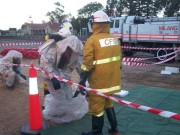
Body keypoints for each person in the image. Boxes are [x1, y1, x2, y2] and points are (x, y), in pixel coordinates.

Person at [79, 10, 122, 135]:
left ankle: (97, 131)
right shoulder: (115, 40)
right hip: (112, 81)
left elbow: (87, 63)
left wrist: (82, 80)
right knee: (108, 103)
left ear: (95, 24)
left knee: (97, 107)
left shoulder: (92, 40)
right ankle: (114, 129)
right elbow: (119, 63)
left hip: (99, 82)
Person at [38, 22, 88, 123]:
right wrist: (53, 77)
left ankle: (56, 109)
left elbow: (80, 67)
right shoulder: (53, 48)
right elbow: (45, 62)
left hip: (64, 78)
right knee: (60, 98)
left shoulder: (73, 51)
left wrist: (83, 80)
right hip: (51, 77)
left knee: (68, 98)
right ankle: (50, 112)